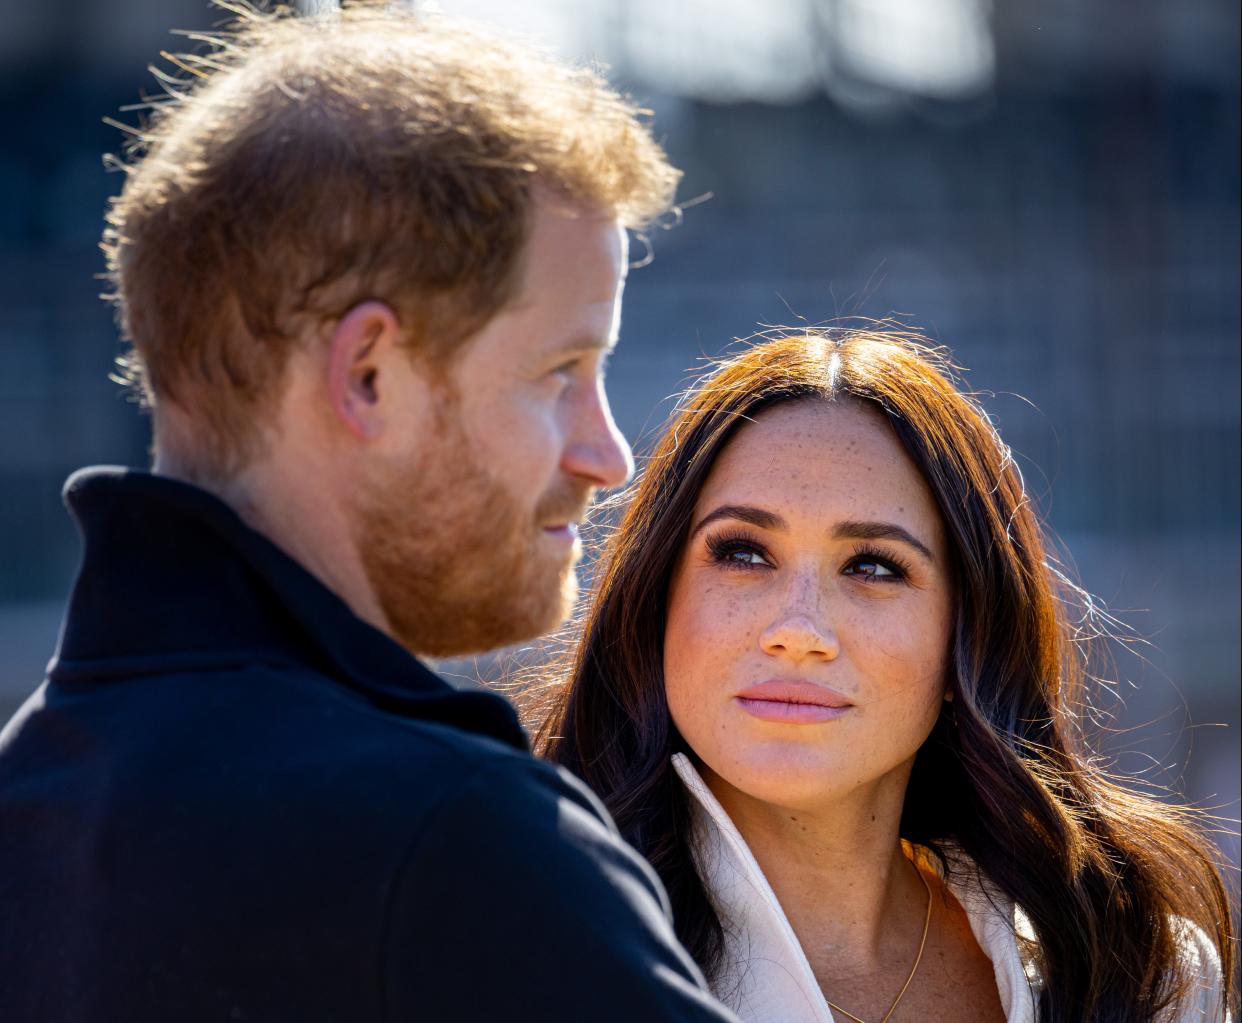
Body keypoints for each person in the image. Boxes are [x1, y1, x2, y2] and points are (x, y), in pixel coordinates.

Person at [0, 5, 740, 1022]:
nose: (608, 455)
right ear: (370, 375)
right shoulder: (458, 846)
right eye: (562, 371)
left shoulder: (25, 812)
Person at [538, 328, 1236, 1023]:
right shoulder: (522, 945)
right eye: (744, 553)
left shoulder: (1137, 975)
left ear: (966, 636)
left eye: (873, 566)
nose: (798, 629)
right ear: (656, 597)